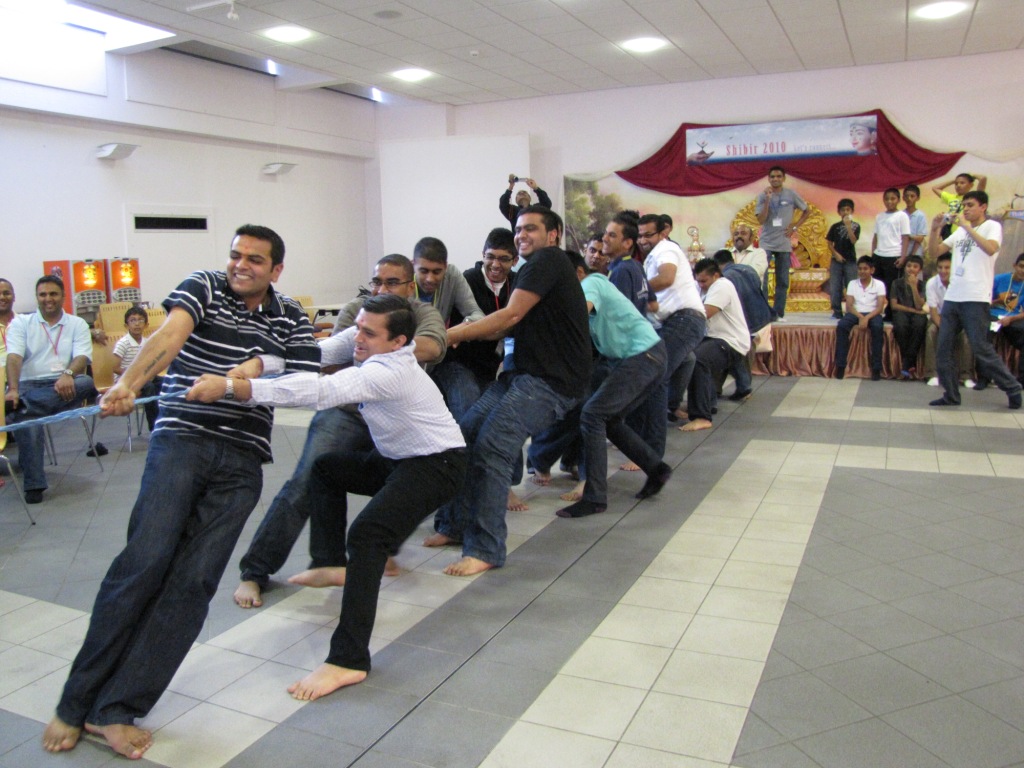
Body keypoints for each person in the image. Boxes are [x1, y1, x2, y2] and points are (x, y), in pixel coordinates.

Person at [41, 225, 320, 760]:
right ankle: (75, 702)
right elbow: (169, 336)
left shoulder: (287, 315)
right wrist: (128, 384)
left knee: (192, 585)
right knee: (143, 564)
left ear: (276, 270)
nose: (242, 265)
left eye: (255, 260)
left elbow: (306, 374)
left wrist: (256, 368)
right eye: (236, 255)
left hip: (241, 461)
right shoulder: (205, 285)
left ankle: (115, 709)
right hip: (182, 441)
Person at [189, 294, 467, 701]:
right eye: (359, 329)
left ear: (398, 341)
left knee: (368, 536)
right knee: (326, 469)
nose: (359, 338)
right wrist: (258, 364)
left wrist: (233, 387)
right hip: (400, 459)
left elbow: (318, 392)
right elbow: (308, 354)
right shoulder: (367, 343)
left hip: (438, 465)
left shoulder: (388, 371)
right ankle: (330, 562)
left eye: (370, 334)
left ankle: (348, 660)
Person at [233, 253, 446, 610]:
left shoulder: (423, 313)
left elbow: (433, 347)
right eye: (376, 281)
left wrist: (389, 347)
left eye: (392, 283)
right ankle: (256, 571)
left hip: (392, 419)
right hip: (346, 411)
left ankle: (380, 549)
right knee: (306, 481)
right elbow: (325, 358)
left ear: (410, 287)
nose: (380, 289)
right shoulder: (360, 310)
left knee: (408, 484)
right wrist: (257, 370)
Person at [426, 205, 591, 577]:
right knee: (465, 434)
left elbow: (510, 316)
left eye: (531, 228)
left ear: (553, 235)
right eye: (518, 229)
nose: (521, 235)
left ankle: (485, 548)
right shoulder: (533, 271)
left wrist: (448, 335)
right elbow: (505, 326)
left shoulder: (548, 260)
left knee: (493, 446)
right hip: (521, 375)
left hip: (549, 381)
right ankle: (454, 526)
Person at [555, 253, 669, 518]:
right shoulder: (588, 287)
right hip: (645, 356)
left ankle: (595, 497)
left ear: (578, 272)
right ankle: (656, 468)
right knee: (609, 419)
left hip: (642, 356)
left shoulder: (591, 282)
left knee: (593, 415)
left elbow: (579, 312)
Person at [4, 275, 96, 504]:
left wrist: (67, 374)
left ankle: (25, 407)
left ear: (63, 296)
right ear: (37, 297)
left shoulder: (77, 324)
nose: (48, 299)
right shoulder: (21, 324)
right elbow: (14, 357)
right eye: (43, 294)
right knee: (31, 421)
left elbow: (82, 357)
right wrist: (13, 389)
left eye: (53, 293)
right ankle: (34, 485)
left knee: (86, 383)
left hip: (63, 384)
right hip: (29, 384)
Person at [928, 191, 1022, 408]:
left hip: (976, 297)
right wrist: (934, 230)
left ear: (983, 207)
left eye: (970, 205)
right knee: (943, 347)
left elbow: (990, 249)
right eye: (964, 206)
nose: (966, 209)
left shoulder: (991, 227)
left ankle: (1012, 387)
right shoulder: (959, 232)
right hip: (953, 297)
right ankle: (951, 394)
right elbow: (935, 252)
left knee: (981, 347)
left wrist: (966, 227)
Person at [637, 212, 706, 428]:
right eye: (640, 235)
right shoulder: (652, 255)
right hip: (675, 321)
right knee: (686, 360)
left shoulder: (665, 248)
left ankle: (647, 441)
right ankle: (670, 406)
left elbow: (666, 278)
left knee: (656, 376)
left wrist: (634, 292)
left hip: (684, 319)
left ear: (663, 232)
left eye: (648, 235)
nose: (643, 240)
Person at [681, 259, 750, 432]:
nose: (700, 285)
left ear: (716, 276)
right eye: (698, 280)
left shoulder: (722, 285)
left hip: (730, 341)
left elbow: (705, 313)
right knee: (686, 356)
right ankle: (701, 404)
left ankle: (702, 416)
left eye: (704, 281)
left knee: (698, 359)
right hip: (712, 338)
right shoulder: (702, 286)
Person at [713, 249, 772, 401]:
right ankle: (741, 387)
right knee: (741, 352)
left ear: (718, 265)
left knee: (729, 352)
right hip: (757, 316)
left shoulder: (726, 278)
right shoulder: (749, 270)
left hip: (739, 318)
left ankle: (730, 388)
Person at [755, 166, 810, 319]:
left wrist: (794, 227)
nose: (775, 179)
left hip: (784, 242)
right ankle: (765, 312)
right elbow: (760, 219)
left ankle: (779, 312)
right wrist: (767, 200)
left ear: (784, 178)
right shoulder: (762, 196)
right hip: (766, 242)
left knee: (783, 280)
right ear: (768, 179)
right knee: (762, 279)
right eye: (772, 177)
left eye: (779, 176)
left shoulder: (791, 195)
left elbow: (807, 211)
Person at [923, 253, 974, 388]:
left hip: (958, 319)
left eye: (947, 268)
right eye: (940, 267)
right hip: (939, 318)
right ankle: (932, 374)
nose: (943, 271)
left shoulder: (961, 282)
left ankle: (966, 375)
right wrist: (945, 328)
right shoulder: (931, 283)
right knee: (931, 332)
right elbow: (933, 312)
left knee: (966, 335)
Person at [834, 256, 886, 380]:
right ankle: (840, 366)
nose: (862, 271)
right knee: (841, 326)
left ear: (872, 270)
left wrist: (867, 318)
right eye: (860, 269)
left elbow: (880, 307)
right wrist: (860, 317)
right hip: (855, 313)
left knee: (878, 328)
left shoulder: (879, 284)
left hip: (873, 313)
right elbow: (849, 306)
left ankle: (876, 368)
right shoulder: (852, 283)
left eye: (865, 269)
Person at [112, 306, 160, 430]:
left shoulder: (146, 342)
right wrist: (134, 375)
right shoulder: (123, 343)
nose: (137, 324)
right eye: (132, 320)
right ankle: (153, 427)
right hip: (125, 380)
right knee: (149, 386)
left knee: (163, 383)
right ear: (126, 325)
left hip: (142, 378)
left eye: (140, 320)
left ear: (146, 324)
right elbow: (115, 367)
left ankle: (164, 421)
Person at [871, 187, 911, 319]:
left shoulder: (902, 216)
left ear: (898, 200)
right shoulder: (879, 216)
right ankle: (875, 312)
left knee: (891, 286)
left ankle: (890, 314)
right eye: (887, 198)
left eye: (893, 198)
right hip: (879, 255)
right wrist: (873, 255)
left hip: (893, 255)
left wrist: (903, 256)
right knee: (877, 285)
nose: (889, 201)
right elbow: (875, 236)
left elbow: (905, 237)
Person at [889, 254, 929, 379]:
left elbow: (919, 305)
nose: (911, 269)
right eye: (909, 266)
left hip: (917, 313)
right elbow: (894, 305)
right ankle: (909, 362)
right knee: (901, 326)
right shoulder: (896, 283)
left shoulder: (923, 285)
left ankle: (906, 364)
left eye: (915, 267)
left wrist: (913, 286)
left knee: (920, 325)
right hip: (902, 312)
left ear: (920, 270)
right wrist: (912, 310)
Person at [989, 252, 1024, 387]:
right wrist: (999, 300)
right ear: (1014, 266)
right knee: (986, 336)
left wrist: (1011, 318)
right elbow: (984, 301)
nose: (1023, 270)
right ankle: (983, 377)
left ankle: (1021, 379)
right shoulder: (999, 279)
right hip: (993, 315)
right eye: (1021, 266)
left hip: (1012, 318)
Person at [825, 199, 861, 319]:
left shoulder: (856, 226)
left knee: (851, 285)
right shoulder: (835, 227)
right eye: (843, 210)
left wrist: (848, 227)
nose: (845, 212)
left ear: (852, 211)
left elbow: (853, 240)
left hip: (850, 261)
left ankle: (851, 311)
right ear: (839, 212)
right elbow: (829, 243)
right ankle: (837, 311)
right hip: (836, 261)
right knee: (835, 286)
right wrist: (836, 254)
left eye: (848, 210)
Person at [903, 184, 928, 258]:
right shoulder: (901, 215)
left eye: (912, 196)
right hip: (901, 253)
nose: (909, 198)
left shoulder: (920, 215)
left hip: (916, 254)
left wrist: (912, 255)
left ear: (918, 198)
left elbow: (920, 238)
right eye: (907, 196)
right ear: (903, 198)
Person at [0, 278, 15, 367]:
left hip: (22, 376)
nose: (2, 297)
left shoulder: (25, 323)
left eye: (6, 293)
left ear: (14, 297)